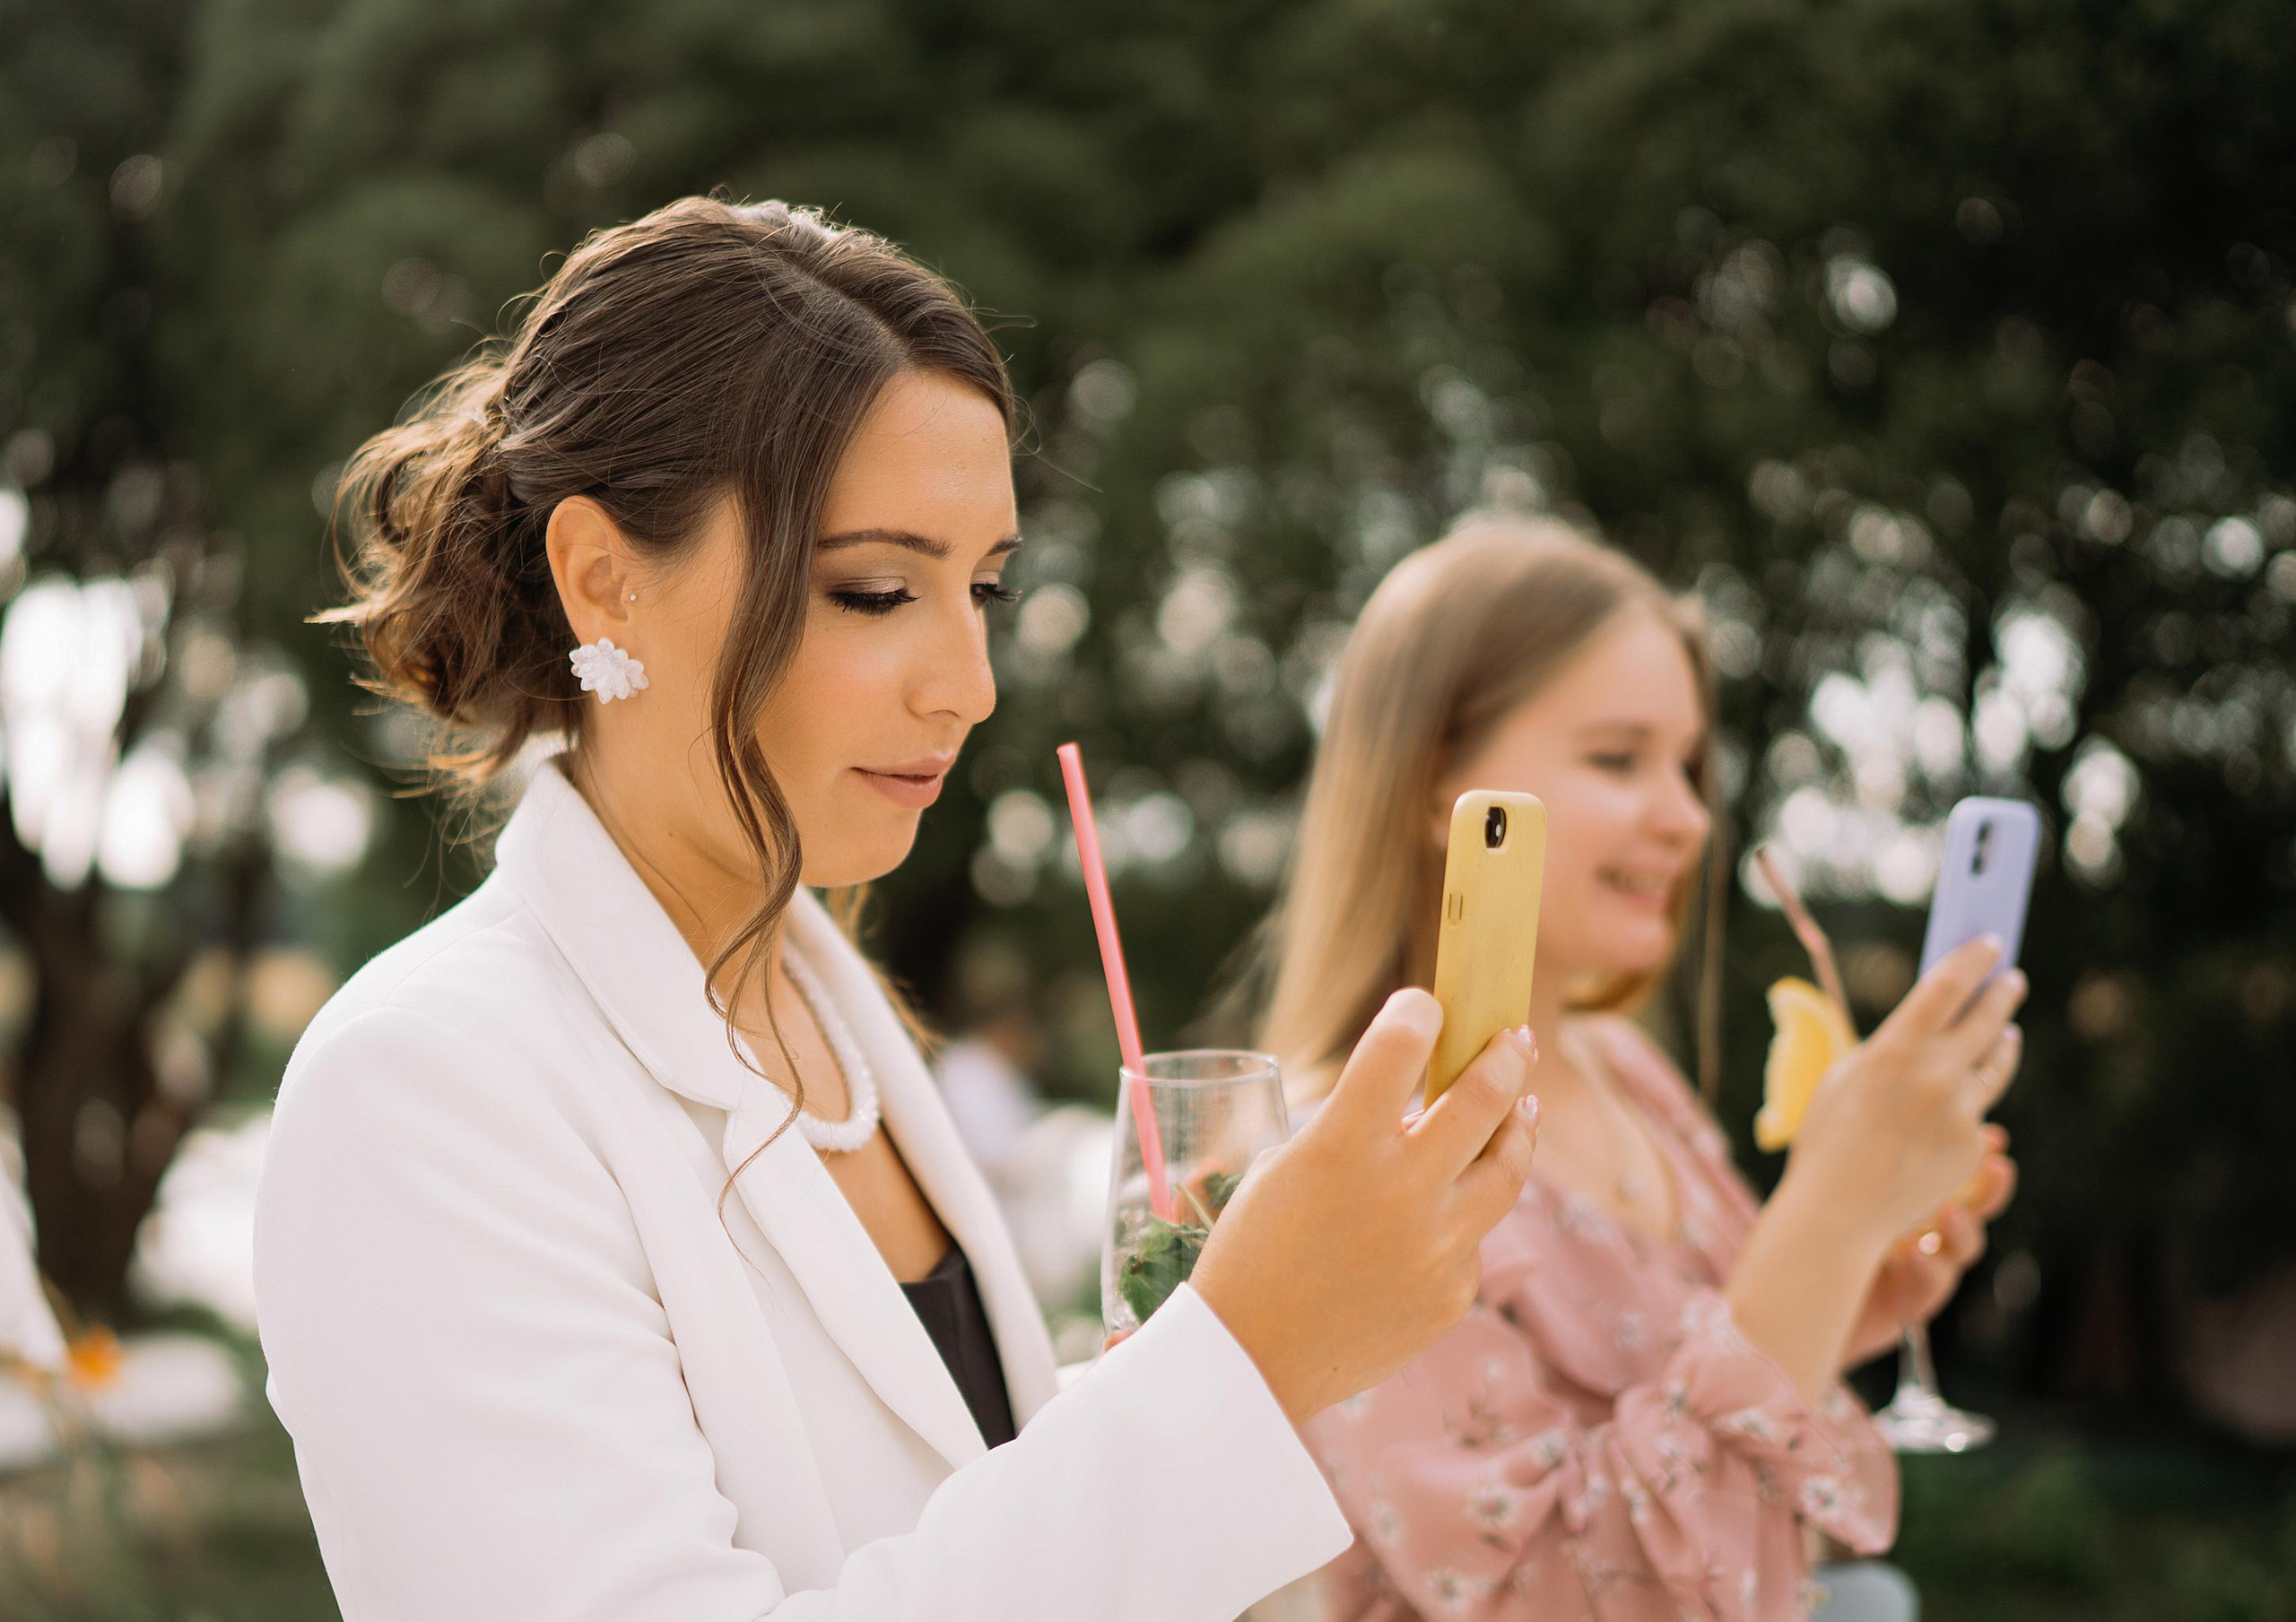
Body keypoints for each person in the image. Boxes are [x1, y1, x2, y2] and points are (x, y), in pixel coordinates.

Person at [251, 198, 1543, 1622]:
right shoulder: (427, 1085)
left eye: (982, 586)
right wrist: (1247, 1359)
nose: (970, 683)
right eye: (875, 591)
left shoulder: (833, 1009)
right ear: (605, 582)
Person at [1246, 517, 2023, 1620]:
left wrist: (1851, 1283)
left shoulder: (1627, 1073)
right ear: (1434, 785)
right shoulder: (1365, 1155)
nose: (1686, 817)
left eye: (1689, 766)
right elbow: (1548, 1590)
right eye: (1618, 759)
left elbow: (1699, 1427)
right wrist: (1826, 1221)